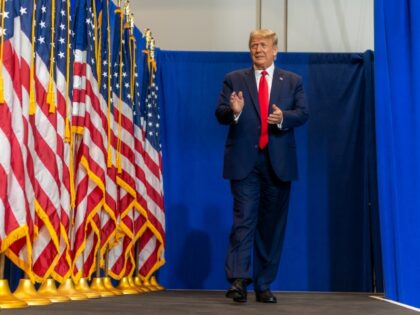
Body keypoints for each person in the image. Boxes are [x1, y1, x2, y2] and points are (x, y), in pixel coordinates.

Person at [215, 28, 309, 304]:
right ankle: (239, 281)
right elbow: (220, 113)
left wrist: (283, 118)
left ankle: (264, 284)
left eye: (264, 45)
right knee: (243, 221)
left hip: (278, 163)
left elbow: (303, 113)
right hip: (245, 163)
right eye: (254, 45)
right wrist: (234, 112)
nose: (258, 49)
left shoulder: (292, 81)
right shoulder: (234, 79)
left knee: (271, 226)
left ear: (275, 50)